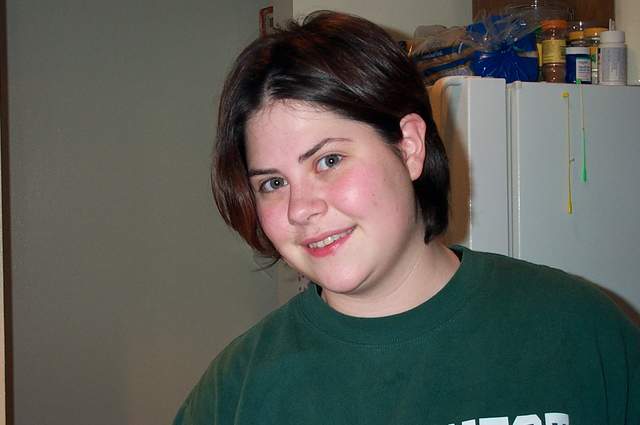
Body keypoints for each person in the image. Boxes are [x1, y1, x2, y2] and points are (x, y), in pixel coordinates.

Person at [173, 11, 639, 425]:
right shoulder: (236, 389)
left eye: (329, 160)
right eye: (273, 183)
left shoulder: (577, 329)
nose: (300, 209)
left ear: (410, 147)